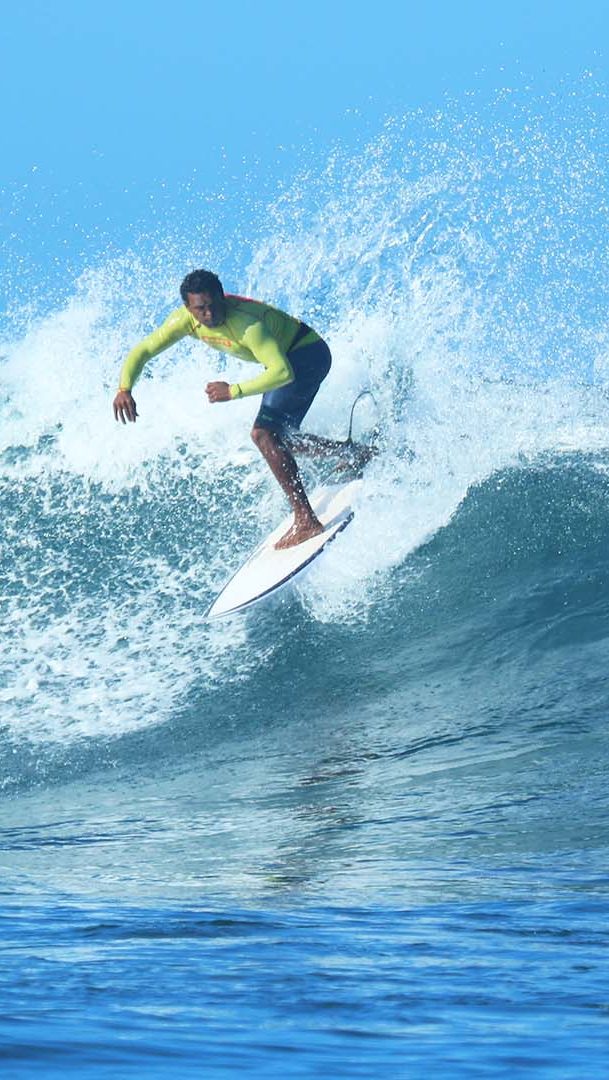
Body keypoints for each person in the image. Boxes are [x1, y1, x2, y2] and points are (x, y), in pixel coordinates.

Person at [113, 269, 371, 549]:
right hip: (290, 357)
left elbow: (282, 372)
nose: (209, 314)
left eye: (213, 305)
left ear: (222, 297)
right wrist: (124, 388)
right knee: (280, 439)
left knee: (263, 434)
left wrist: (233, 391)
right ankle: (354, 453)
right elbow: (143, 350)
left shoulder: (247, 324)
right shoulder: (184, 321)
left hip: (306, 355)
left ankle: (306, 520)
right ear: (189, 309)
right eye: (201, 309)